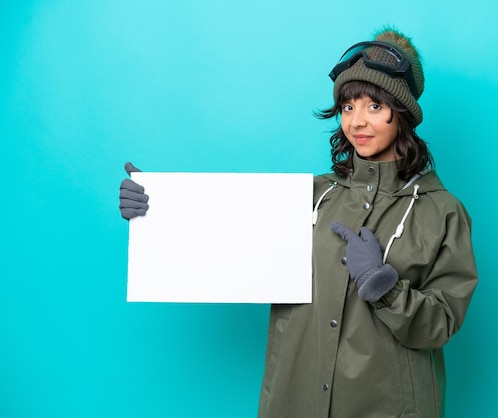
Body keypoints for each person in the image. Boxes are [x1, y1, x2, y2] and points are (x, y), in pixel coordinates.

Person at [119, 27, 477, 418]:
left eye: (374, 106)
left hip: (387, 406)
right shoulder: (306, 198)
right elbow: (226, 243)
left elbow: (440, 324)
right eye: (348, 106)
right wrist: (157, 210)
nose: (357, 121)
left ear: (403, 113)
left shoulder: (441, 212)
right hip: (295, 401)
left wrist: (383, 286)